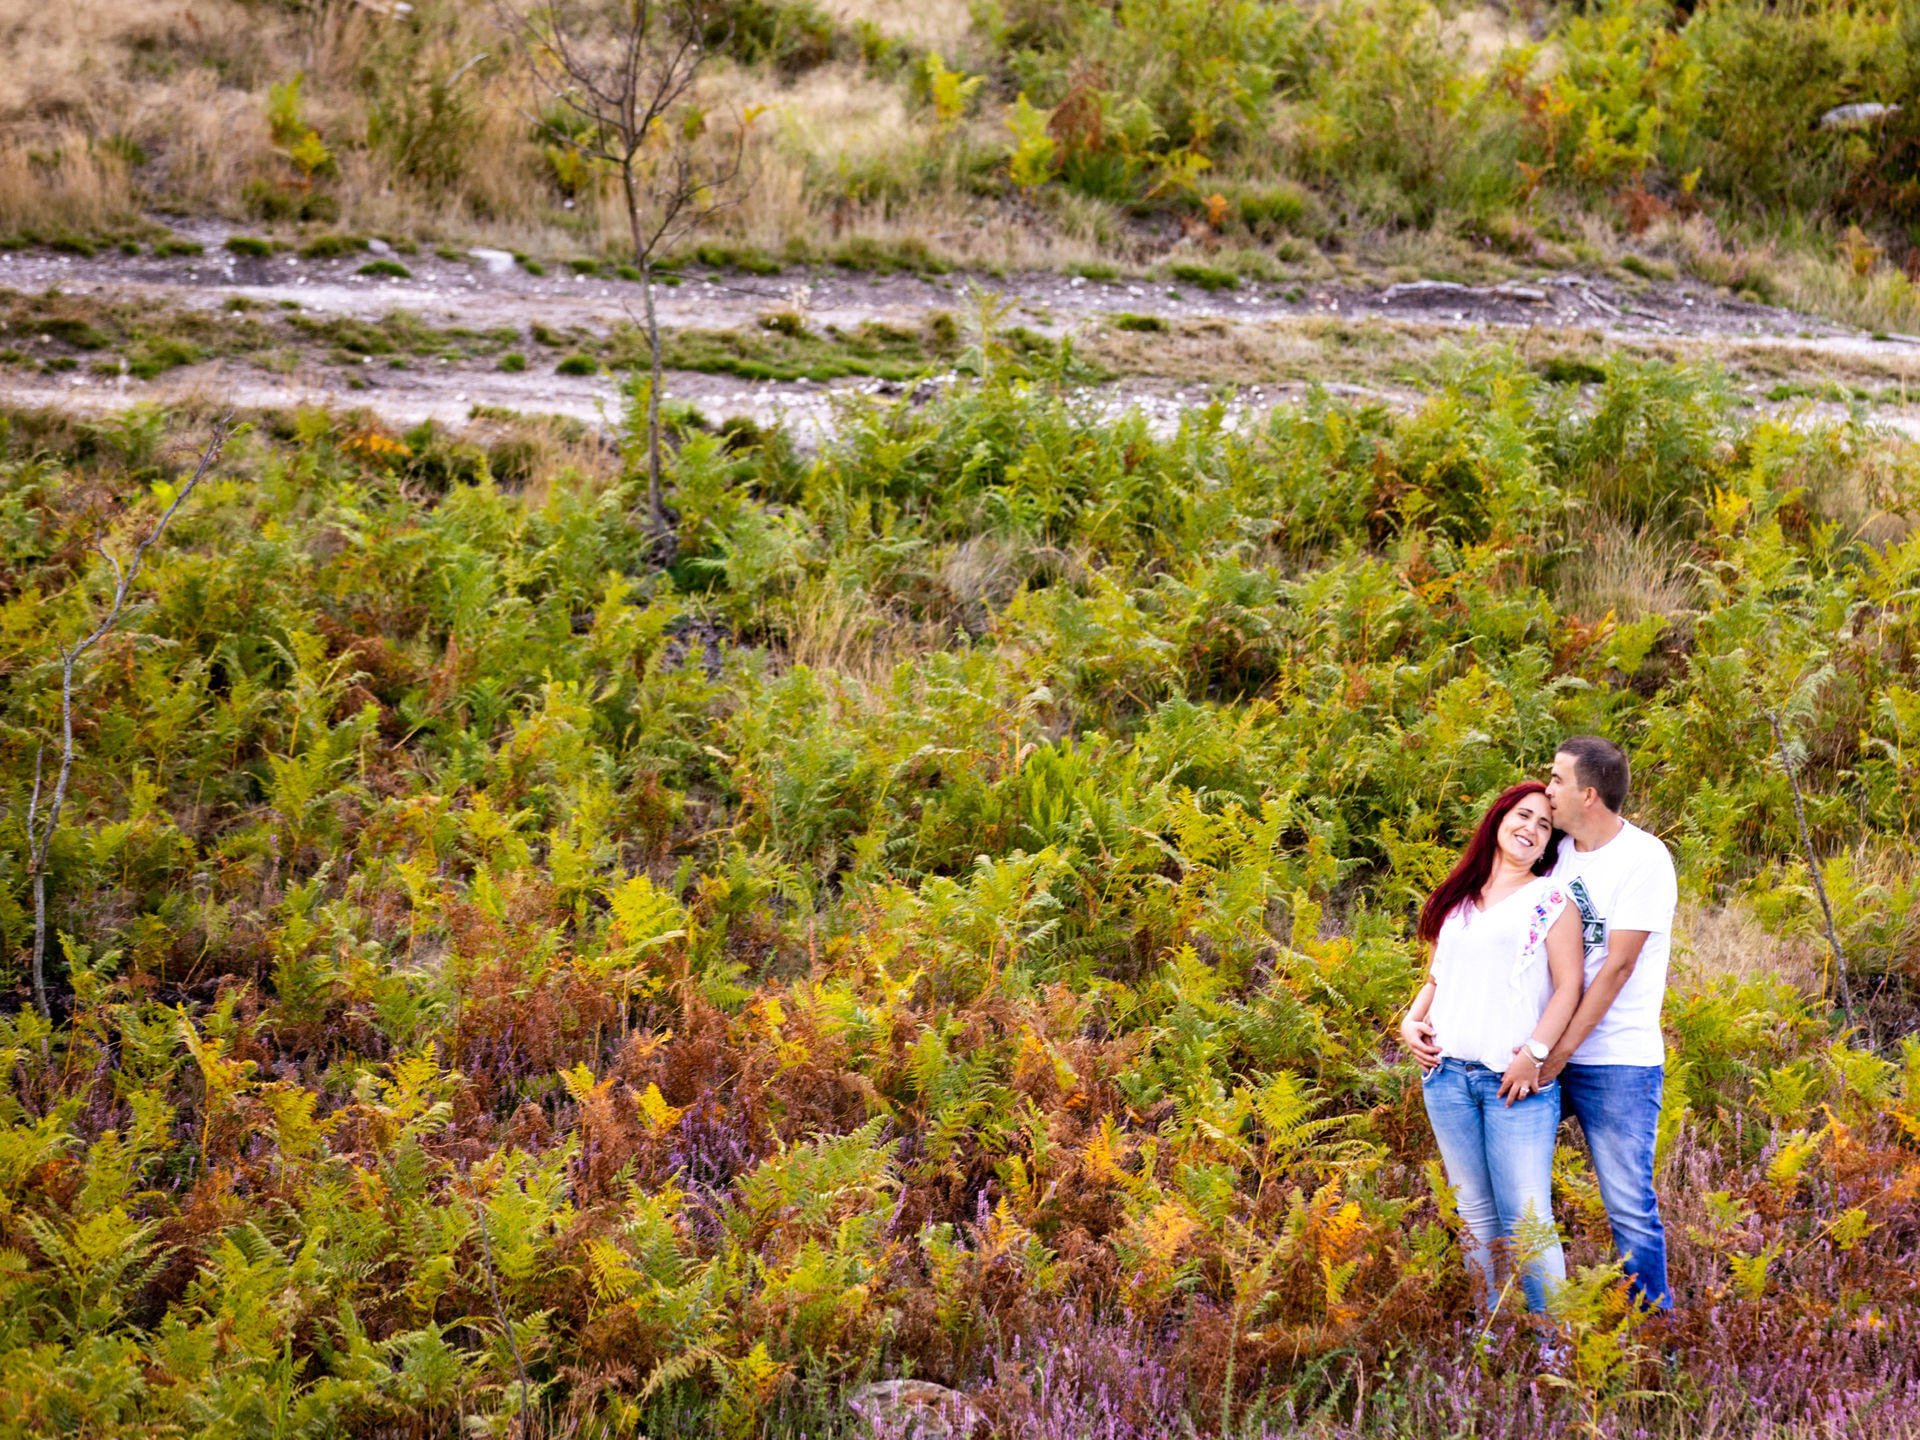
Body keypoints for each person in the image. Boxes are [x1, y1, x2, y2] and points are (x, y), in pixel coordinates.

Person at [1400, 782, 1585, 1317]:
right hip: (1446, 1076)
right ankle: (1490, 1333)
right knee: (1474, 1214)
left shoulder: (1550, 899)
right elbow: (1439, 977)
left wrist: (1536, 1052)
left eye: (1545, 825)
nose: (1531, 828)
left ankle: (1556, 1348)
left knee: (1526, 1219)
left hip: (1513, 1081)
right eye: (1523, 816)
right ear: (1499, 818)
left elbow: (1569, 986)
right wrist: (1412, 1020)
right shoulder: (1461, 898)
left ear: (1550, 842)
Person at [1540, 735, 1678, 1313]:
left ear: (1588, 794)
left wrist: (1560, 1052)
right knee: (1513, 1192)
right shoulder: (1554, 851)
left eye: (1556, 779)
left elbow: (1618, 966)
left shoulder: (1644, 859)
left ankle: (1654, 1332)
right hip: (1543, 1049)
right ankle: (1530, 1318)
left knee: (1626, 1204)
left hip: (1618, 1060)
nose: (1546, 790)